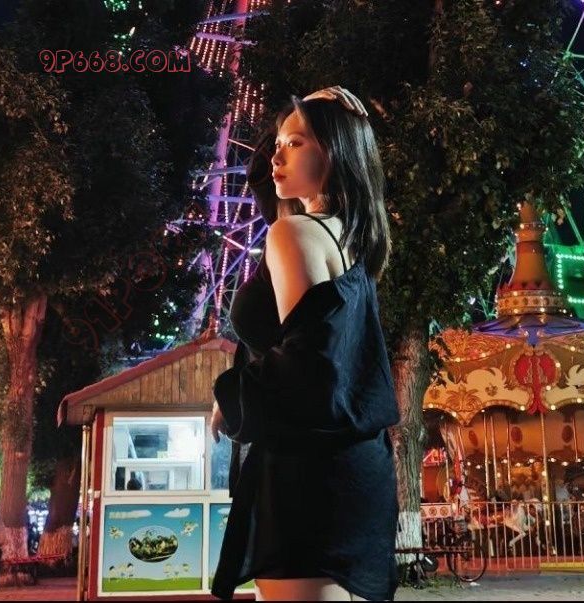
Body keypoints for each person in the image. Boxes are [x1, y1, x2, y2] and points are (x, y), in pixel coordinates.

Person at [210, 86, 399, 601]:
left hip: (308, 473)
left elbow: (307, 370)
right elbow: (266, 173)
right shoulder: (352, 238)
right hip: (359, 470)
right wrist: (310, 110)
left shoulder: (292, 234)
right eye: (277, 143)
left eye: (294, 144)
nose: (276, 156)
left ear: (334, 153)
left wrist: (230, 396)